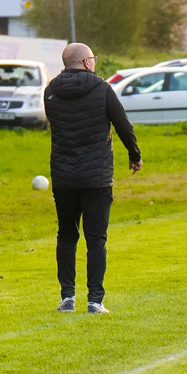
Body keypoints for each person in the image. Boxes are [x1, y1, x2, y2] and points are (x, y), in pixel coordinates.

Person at [44, 43, 143, 314]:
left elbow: (57, 124)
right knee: (96, 238)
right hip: (96, 175)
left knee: (66, 235)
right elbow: (123, 124)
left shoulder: (50, 90)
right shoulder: (101, 88)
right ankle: (95, 300)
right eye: (93, 59)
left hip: (63, 175)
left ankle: (67, 297)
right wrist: (135, 155)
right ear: (87, 62)